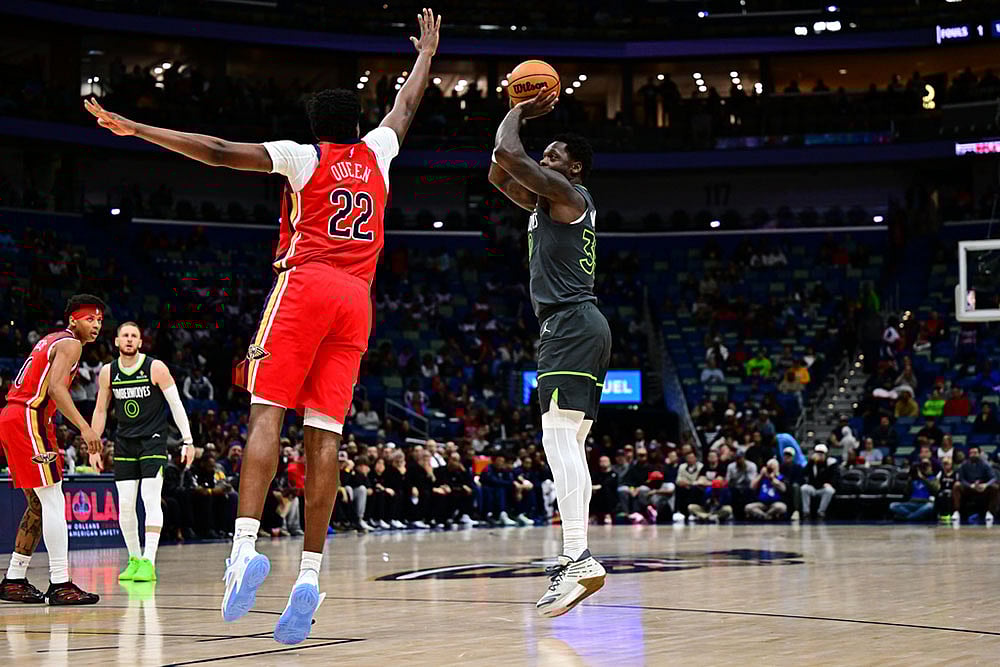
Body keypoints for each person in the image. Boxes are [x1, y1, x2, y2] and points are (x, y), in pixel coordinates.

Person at [87, 9, 441, 643]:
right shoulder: (378, 154)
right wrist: (427, 54)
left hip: (306, 286)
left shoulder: (303, 157)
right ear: (357, 125)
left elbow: (220, 153)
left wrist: (138, 128)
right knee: (326, 435)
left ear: (314, 129)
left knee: (265, 416)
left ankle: (243, 550)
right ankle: (309, 574)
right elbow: (407, 106)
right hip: (357, 301)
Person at [491, 83, 609, 617]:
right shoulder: (545, 202)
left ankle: (577, 555)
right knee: (568, 442)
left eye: (556, 155)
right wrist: (513, 126)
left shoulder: (567, 196)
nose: (546, 157)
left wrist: (517, 109)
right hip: (575, 326)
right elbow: (500, 170)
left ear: (575, 169)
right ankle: (574, 556)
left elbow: (507, 153)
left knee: (559, 438)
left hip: (570, 325)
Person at [0, 295, 105, 605]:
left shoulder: (51, 340)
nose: (96, 325)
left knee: (38, 505)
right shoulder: (71, 343)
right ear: (74, 320)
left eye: (99, 320)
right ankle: (61, 583)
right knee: (54, 499)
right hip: (28, 417)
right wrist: (84, 428)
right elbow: (57, 388)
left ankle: (14, 580)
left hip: (16, 416)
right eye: (90, 319)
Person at [90, 322, 196, 583]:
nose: (129, 339)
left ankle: (149, 560)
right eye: (124, 335)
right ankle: (134, 559)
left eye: (134, 336)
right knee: (125, 506)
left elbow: (176, 404)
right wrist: (94, 446)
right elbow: (101, 410)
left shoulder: (155, 367)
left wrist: (188, 440)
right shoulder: (108, 372)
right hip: (125, 442)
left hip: (153, 441)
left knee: (150, 499)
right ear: (116, 341)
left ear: (140, 342)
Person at [952, 446, 998, 525]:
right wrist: (970, 485)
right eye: (971, 453)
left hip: (982, 489)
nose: (973, 455)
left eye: (975, 453)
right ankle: (956, 512)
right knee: (956, 485)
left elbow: (993, 478)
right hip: (969, 488)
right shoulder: (964, 465)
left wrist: (985, 485)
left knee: (995, 487)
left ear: (979, 454)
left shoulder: (986, 465)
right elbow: (961, 479)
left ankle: (990, 512)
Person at [801, 444, 839, 520]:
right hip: (813, 488)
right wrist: (811, 462)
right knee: (804, 488)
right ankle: (806, 513)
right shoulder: (812, 462)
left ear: (826, 454)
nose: (819, 455)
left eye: (821, 453)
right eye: (817, 453)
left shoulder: (831, 463)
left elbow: (835, 476)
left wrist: (830, 483)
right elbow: (804, 473)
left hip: (824, 488)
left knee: (830, 490)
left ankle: (821, 512)